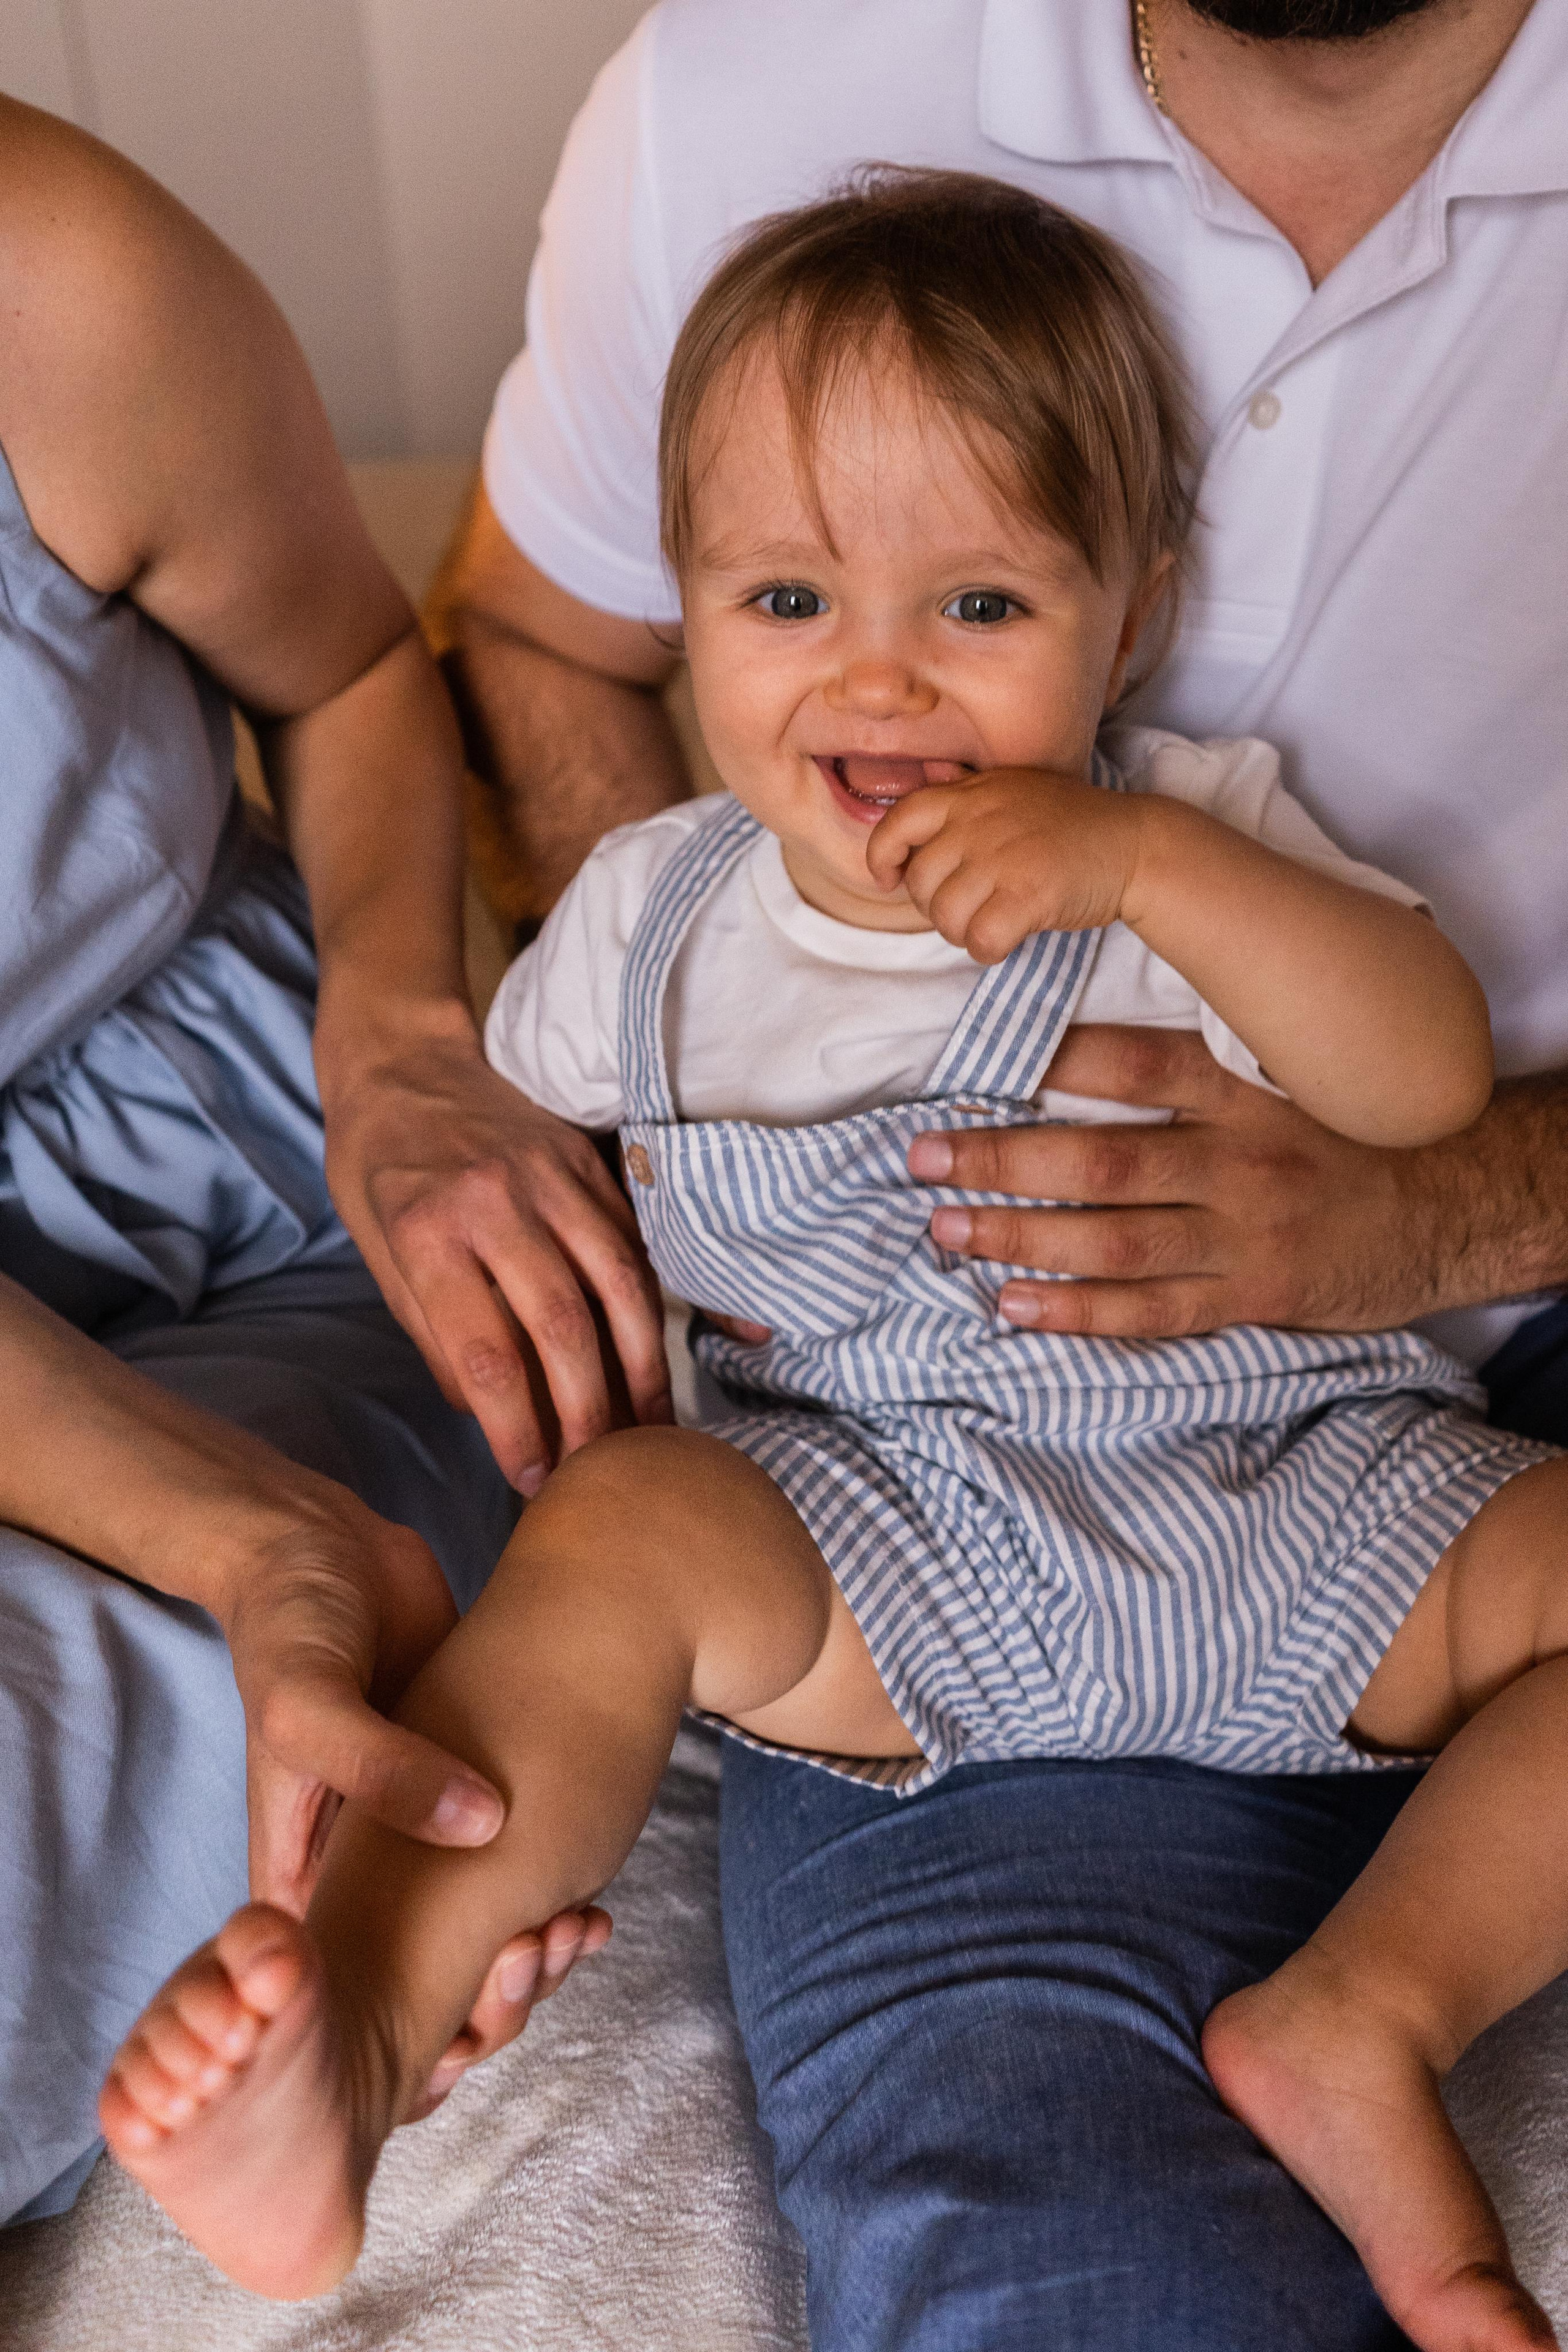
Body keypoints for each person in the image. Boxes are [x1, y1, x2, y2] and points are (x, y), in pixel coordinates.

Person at [101, 176, 1565, 2352]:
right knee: (622, 1534)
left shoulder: (1208, 826)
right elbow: (537, 1155)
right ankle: (370, 2043)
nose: (877, 676)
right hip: (898, 1552)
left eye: (979, 603)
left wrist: (1153, 861)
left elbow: (1429, 1074)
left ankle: (1371, 2009)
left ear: (1131, 616)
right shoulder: (658, 923)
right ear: (683, 619)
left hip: (1303, 1505)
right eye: (788, 595)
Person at [0, 98, 634, 2228]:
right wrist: (247, 1547)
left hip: (255, 1190)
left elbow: (360, 671)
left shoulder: (52, 278)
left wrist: (401, 1047)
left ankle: (333, 2046)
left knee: (173, 1737)